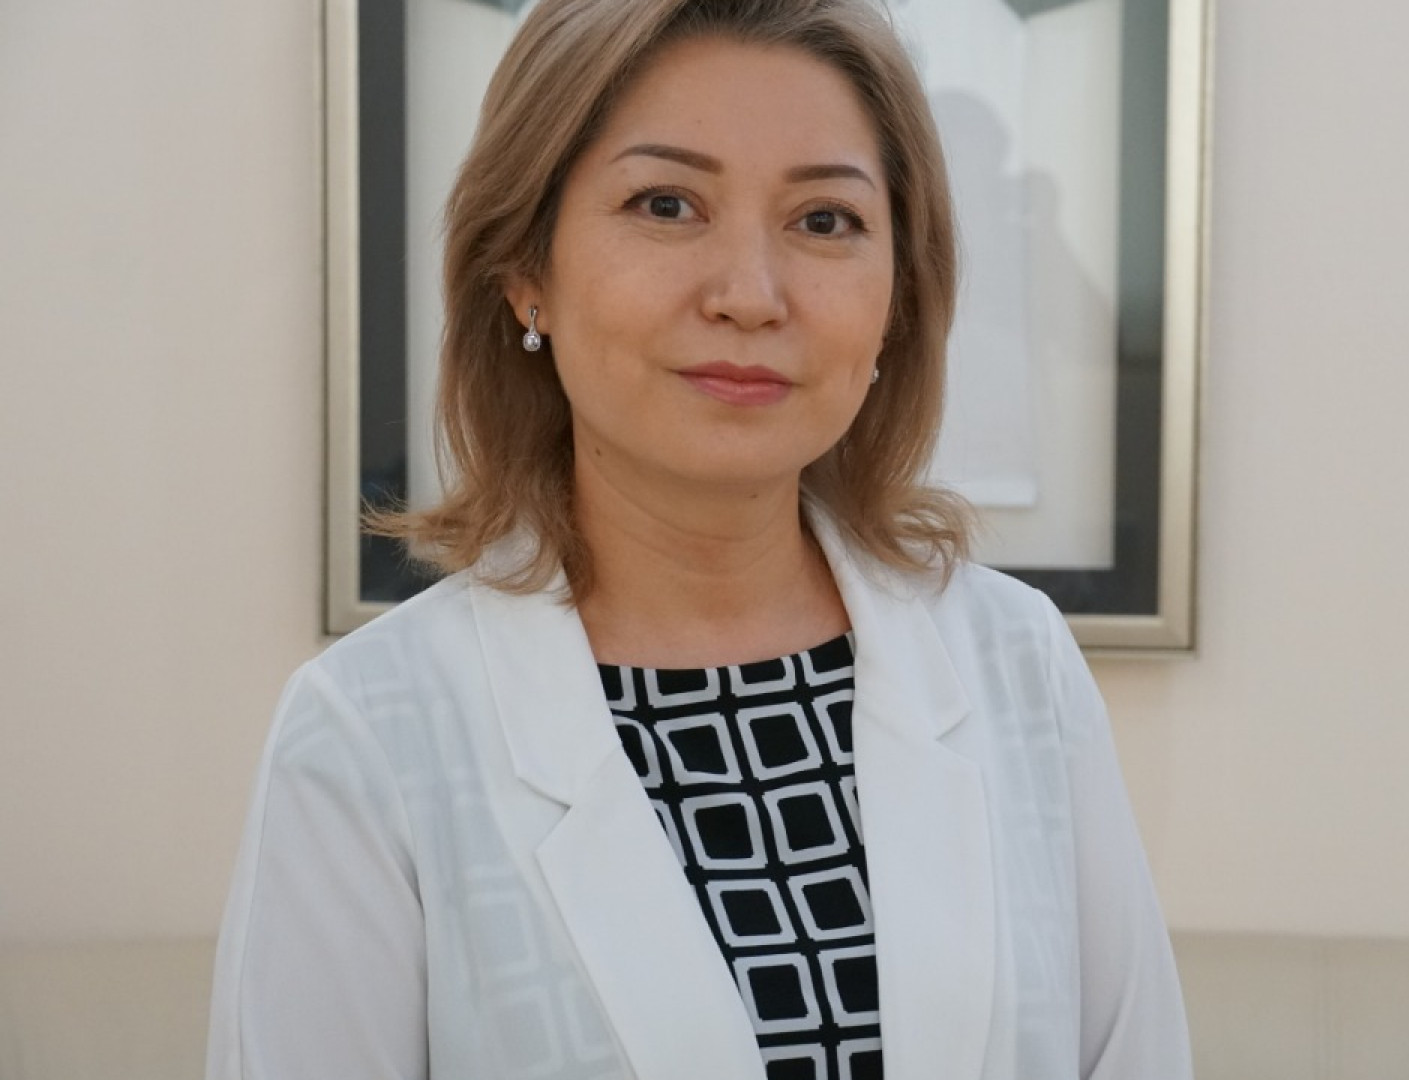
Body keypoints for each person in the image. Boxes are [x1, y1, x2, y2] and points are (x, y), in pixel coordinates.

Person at [205, 0, 1190, 1077]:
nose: (751, 296)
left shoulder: (1018, 666)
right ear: (526, 270)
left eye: (825, 221)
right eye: (666, 204)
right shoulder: (367, 736)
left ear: (898, 299)